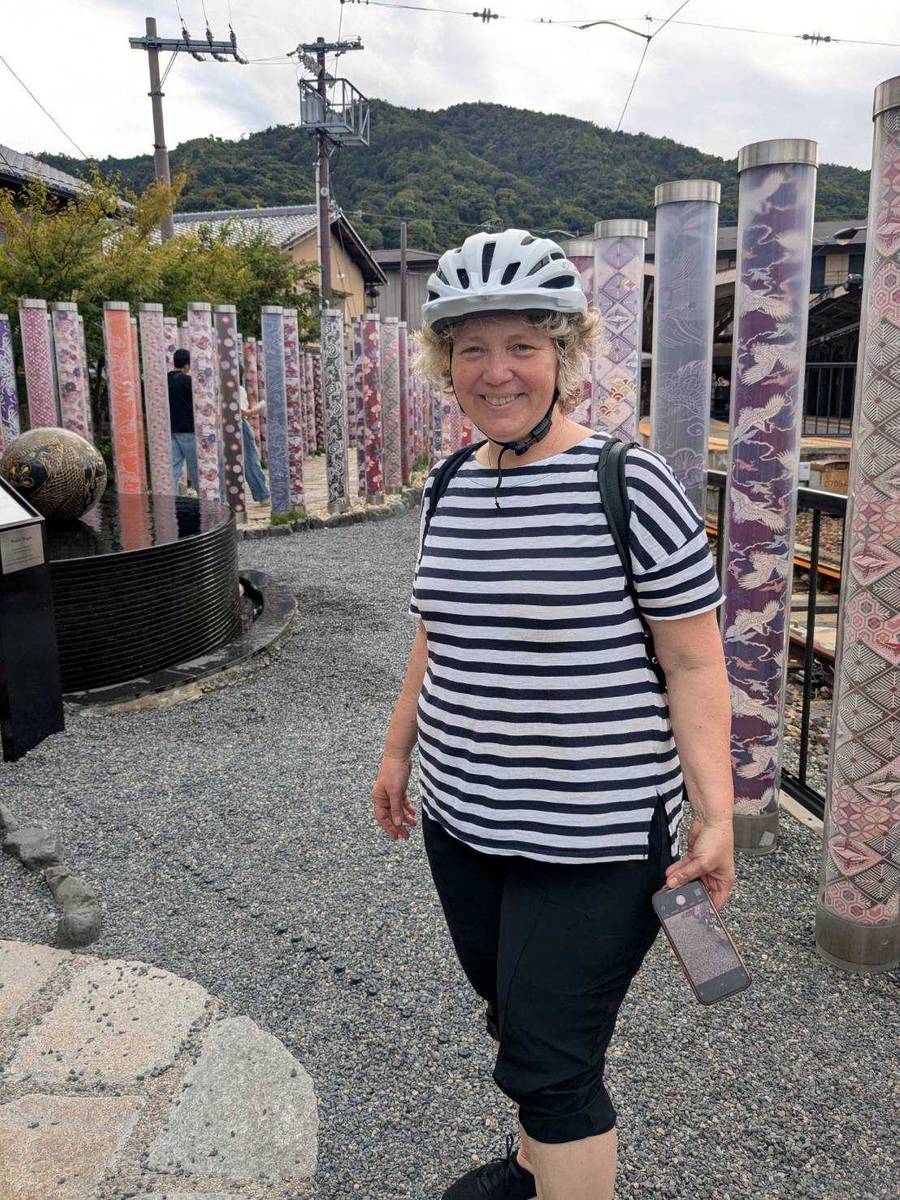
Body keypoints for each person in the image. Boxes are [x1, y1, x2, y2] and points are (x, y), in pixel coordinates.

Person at [372, 229, 736, 1200]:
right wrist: (398, 748)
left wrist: (716, 812)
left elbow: (695, 660)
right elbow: (435, 627)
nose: (497, 373)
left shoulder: (632, 484)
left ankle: (555, 1154)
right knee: (516, 1015)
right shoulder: (447, 486)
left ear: (564, 357)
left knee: (552, 1062)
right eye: (473, 349)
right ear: (444, 362)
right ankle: (534, 1168)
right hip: (464, 822)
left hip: (596, 838)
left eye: (523, 346)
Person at [168, 348, 198, 493]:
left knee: (173, 470)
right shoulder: (188, 381)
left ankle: (170, 504)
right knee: (196, 468)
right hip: (188, 429)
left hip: (171, 429)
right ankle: (206, 501)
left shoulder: (165, 380)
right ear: (187, 365)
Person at [239, 367, 270, 503]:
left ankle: (261, 493)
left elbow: (239, 411)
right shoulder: (238, 390)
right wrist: (254, 410)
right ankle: (262, 494)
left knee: (247, 461)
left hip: (231, 426)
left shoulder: (230, 390)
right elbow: (242, 412)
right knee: (250, 460)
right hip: (240, 425)